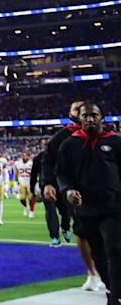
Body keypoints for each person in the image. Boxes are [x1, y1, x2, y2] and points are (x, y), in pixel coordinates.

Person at [55, 102, 121, 305]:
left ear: (101, 117)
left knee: (114, 250)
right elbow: (62, 173)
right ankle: (114, 293)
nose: (90, 119)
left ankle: (115, 300)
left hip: (113, 207)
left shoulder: (115, 141)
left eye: (94, 115)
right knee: (99, 255)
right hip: (85, 209)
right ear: (80, 119)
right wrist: (68, 190)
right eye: (86, 116)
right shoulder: (69, 145)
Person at [43, 100, 103, 290]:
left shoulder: (106, 136)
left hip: (105, 192)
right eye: (76, 109)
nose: (80, 113)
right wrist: (48, 183)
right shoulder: (63, 138)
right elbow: (49, 161)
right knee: (83, 232)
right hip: (77, 193)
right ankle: (92, 273)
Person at [32, 146, 70, 248]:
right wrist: (32, 190)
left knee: (65, 211)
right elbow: (33, 174)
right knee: (50, 211)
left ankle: (65, 228)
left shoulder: (61, 156)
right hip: (46, 188)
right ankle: (55, 237)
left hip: (61, 186)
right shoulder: (38, 158)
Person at [14, 151, 35, 218]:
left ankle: (31, 211)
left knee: (31, 197)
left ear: (29, 157)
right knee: (21, 198)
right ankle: (26, 207)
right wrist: (16, 181)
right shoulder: (18, 163)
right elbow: (16, 173)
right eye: (23, 156)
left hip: (30, 182)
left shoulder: (32, 163)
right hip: (22, 181)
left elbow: (35, 173)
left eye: (26, 156)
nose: (24, 157)